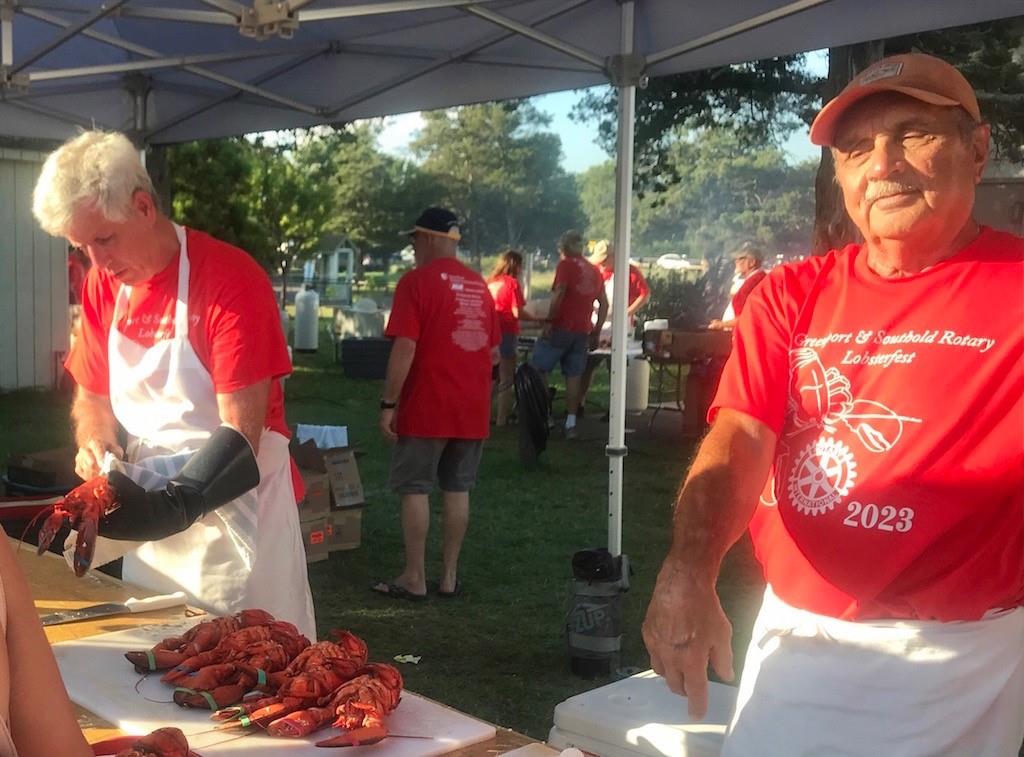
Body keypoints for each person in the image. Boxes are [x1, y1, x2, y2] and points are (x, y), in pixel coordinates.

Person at [642, 52, 1023, 757]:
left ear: (977, 149)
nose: (882, 163)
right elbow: (740, 439)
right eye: (855, 148)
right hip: (797, 638)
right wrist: (688, 569)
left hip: (962, 662)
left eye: (912, 133)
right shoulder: (790, 294)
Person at [32, 130, 316, 640]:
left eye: (104, 240)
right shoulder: (105, 286)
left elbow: (241, 435)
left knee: (253, 663)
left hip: (237, 499)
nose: (96, 264)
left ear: (143, 207)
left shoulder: (230, 281)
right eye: (80, 248)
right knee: (157, 651)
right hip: (153, 504)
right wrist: (94, 440)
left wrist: (173, 505)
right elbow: (91, 394)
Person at [373, 207, 500, 600]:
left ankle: (414, 576)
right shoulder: (481, 285)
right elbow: (493, 354)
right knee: (457, 489)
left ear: (428, 238)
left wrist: (388, 402)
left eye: (414, 240)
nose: (413, 249)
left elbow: (405, 346)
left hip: (427, 404)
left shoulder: (416, 283)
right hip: (471, 407)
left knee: (415, 488)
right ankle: (448, 576)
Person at [531, 230, 608, 439]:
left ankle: (545, 414)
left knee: (538, 367)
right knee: (574, 376)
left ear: (563, 248)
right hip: (582, 330)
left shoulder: (565, 266)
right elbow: (604, 303)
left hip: (561, 326)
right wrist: (596, 330)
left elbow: (560, 292)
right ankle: (571, 423)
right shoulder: (594, 270)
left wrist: (549, 320)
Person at [578, 239, 650, 415]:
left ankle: (616, 409)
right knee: (587, 364)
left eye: (604, 260)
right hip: (598, 323)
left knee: (615, 368)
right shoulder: (597, 272)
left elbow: (644, 294)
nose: (602, 264)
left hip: (621, 326)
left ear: (614, 256)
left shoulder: (630, 272)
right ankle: (579, 403)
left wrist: (627, 312)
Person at [487, 249, 535, 427]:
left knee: (492, 377)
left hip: (489, 333)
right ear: (517, 266)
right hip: (506, 333)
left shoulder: (491, 283)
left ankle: (483, 415)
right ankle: (501, 419)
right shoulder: (512, 284)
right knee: (506, 379)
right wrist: (538, 320)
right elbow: (517, 312)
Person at [707, 242, 766, 330]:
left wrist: (722, 324)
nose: (736, 262)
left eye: (740, 259)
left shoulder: (754, 283)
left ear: (752, 262)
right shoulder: (754, 280)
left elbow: (748, 316)